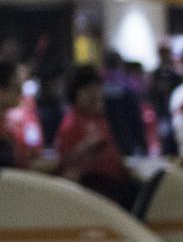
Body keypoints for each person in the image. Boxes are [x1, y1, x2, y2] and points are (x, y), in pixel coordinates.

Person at [55, 65, 141, 209]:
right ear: (75, 94)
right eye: (89, 90)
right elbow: (68, 167)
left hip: (114, 186)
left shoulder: (99, 119)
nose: (96, 94)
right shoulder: (72, 124)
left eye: (97, 88)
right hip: (98, 193)